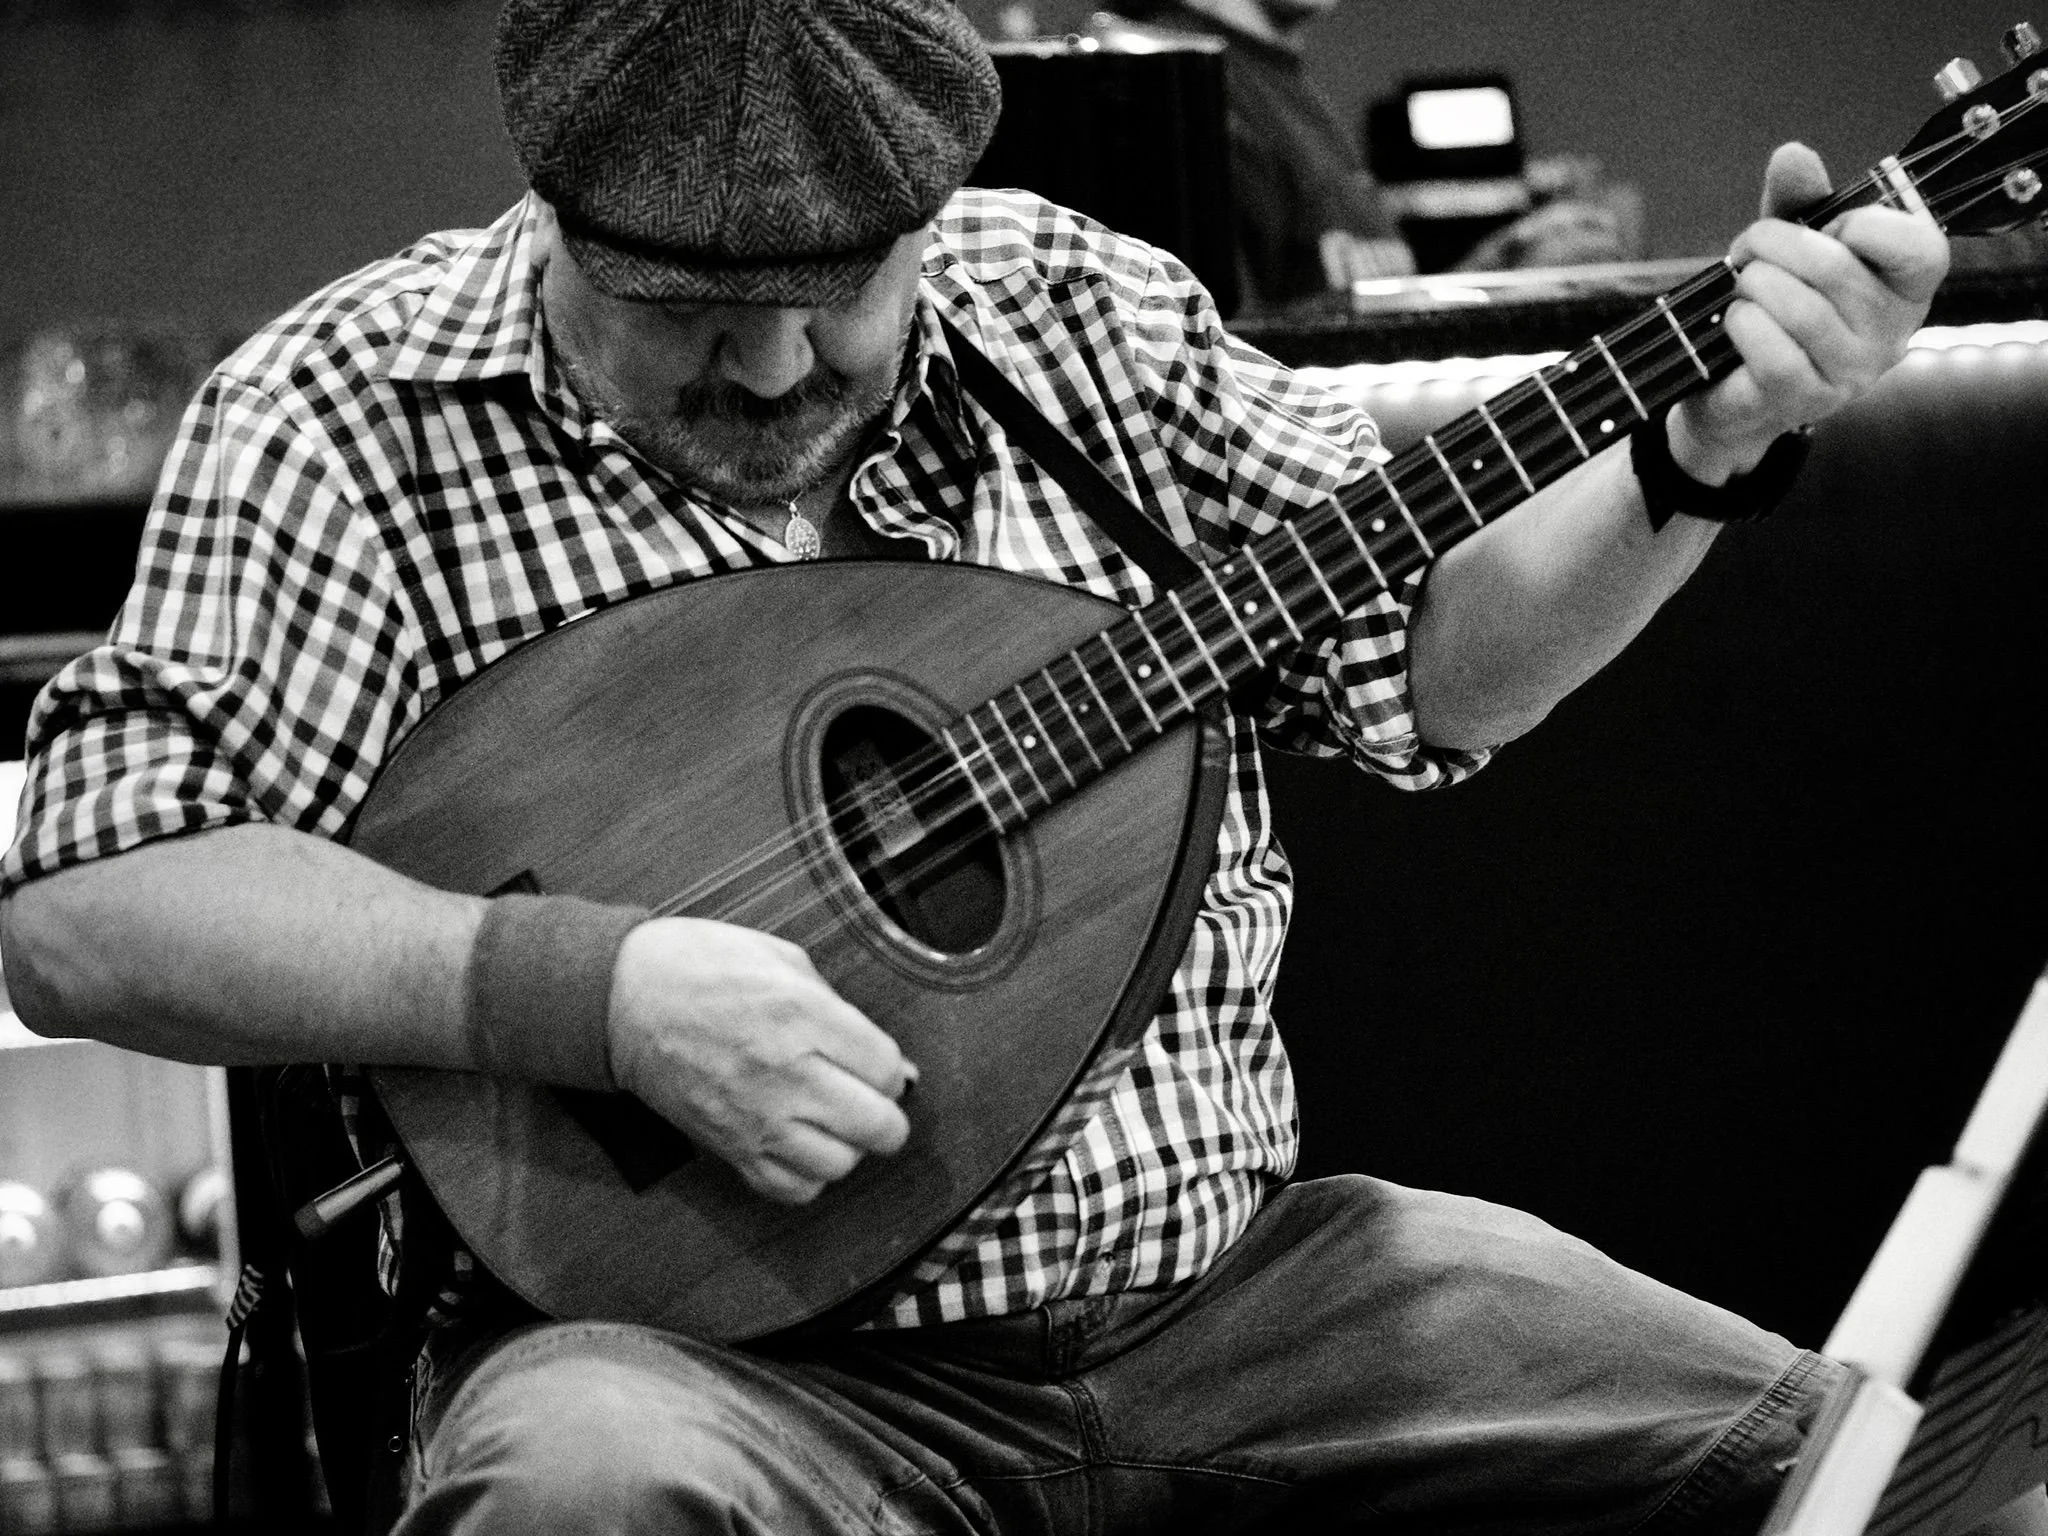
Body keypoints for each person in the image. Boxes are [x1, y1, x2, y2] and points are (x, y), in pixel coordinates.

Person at [0, 0, 1978, 1532]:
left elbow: (1434, 662)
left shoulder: (1070, 312)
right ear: (558, 220)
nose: (775, 372)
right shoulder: (350, 414)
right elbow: (88, 907)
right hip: (707, 1374)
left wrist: (1695, 457)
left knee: (1874, 1473)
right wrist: (586, 990)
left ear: (926, 219)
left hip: (1243, 1313)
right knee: (578, 1494)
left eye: (840, 298)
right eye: (689, 312)